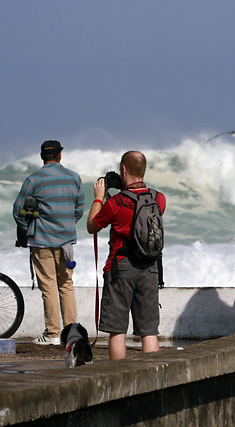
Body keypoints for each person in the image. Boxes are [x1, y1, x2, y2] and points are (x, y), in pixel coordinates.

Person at [87, 151, 166, 360]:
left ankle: (118, 379)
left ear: (123, 169)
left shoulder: (116, 203)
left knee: (117, 330)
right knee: (149, 331)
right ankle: (152, 379)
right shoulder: (159, 199)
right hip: (150, 267)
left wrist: (98, 198)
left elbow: (92, 226)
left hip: (121, 266)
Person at [13, 140, 84, 345]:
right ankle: (72, 333)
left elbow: (18, 210)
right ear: (60, 155)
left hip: (41, 241)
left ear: (42, 157)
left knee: (49, 285)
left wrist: (30, 230)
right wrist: (66, 226)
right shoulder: (74, 177)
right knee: (66, 284)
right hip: (67, 242)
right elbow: (78, 210)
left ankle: (53, 334)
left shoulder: (33, 179)